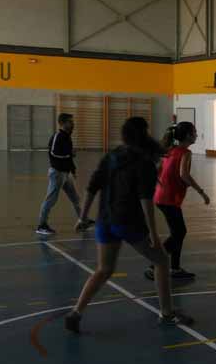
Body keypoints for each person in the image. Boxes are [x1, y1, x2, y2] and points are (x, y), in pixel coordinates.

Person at [64, 117, 193, 333]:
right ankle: (167, 314)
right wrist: (153, 234)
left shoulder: (112, 156)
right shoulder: (144, 162)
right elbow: (145, 200)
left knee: (104, 269)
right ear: (144, 134)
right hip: (128, 222)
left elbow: (92, 187)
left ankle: (76, 312)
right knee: (161, 260)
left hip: (105, 221)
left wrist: (82, 217)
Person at [144, 121, 210, 282]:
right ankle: (155, 264)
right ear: (187, 135)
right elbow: (184, 175)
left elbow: (158, 170)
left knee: (178, 233)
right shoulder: (185, 153)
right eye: (194, 132)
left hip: (162, 197)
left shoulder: (170, 150)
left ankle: (175, 268)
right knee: (179, 233)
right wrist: (201, 192)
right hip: (169, 198)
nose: (196, 134)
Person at [36, 113, 93, 236]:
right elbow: (53, 153)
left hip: (65, 175)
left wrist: (73, 169)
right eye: (70, 121)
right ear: (63, 123)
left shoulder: (67, 137)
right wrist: (69, 154)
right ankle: (41, 225)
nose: (73, 124)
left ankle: (84, 221)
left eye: (72, 121)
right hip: (57, 173)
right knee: (50, 200)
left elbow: (68, 157)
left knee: (75, 198)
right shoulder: (57, 136)